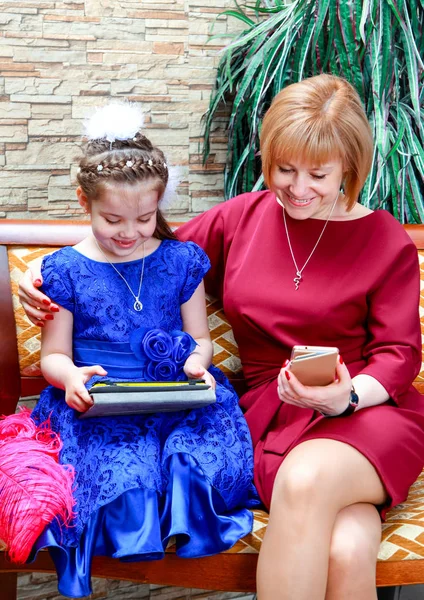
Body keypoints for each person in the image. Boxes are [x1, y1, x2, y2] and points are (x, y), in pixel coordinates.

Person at [18, 74, 424, 600]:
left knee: (305, 483)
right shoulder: (242, 218)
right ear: (267, 158)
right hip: (266, 414)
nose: (299, 189)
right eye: (284, 169)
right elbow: (142, 249)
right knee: (346, 547)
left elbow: (398, 355)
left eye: (318, 174)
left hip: (368, 413)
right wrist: (47, 273)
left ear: (349, 165)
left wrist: (343, 397)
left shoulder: (382, 237)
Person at [2, 102, 257, 599]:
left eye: (144, 218)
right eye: (112, 218)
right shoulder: (66, 271)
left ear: (160, 205)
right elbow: (53, 355)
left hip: (173, 399)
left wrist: (195, 365)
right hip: (100, 403)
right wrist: (69, 377)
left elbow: (201, 340)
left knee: (188, 458)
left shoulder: (180, 261)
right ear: (84, 202)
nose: (129, 232)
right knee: (126, 468)